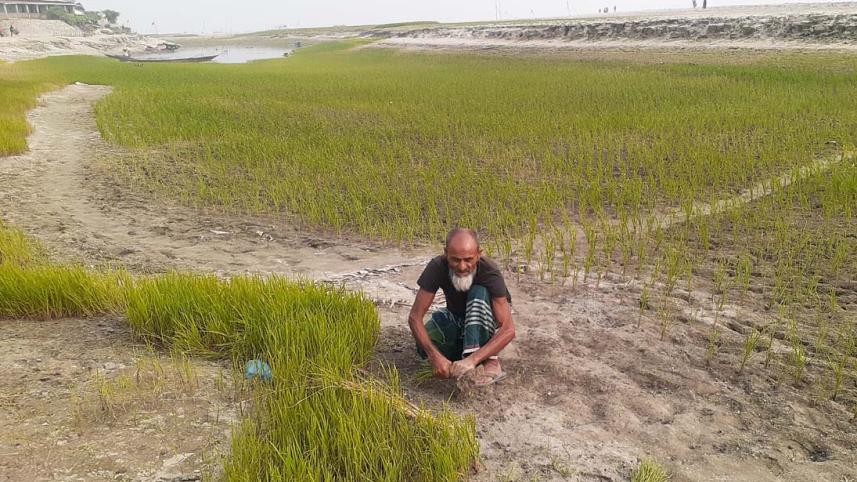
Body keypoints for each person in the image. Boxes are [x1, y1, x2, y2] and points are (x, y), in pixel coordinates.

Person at [407, 228, 516, 386]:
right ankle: (461, 355)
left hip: (485, 321)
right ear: (446, 253)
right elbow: (414, 317)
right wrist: (435, 357)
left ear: (479, 254)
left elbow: (508, 329)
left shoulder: (490, 271)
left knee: (479, 292)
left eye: (468, 260)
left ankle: (489, 362)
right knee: (423, 346)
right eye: (455, 260)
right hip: (456, 317)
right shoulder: (437, 266)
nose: (462, 267)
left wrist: (473, 360)